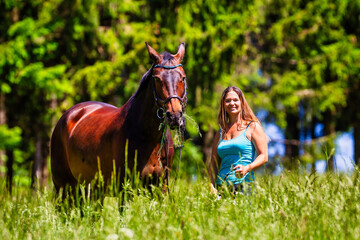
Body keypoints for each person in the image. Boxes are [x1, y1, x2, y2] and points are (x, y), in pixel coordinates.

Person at [208, 86, 268, 194]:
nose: (232, 103)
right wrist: (211, 186)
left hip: (244, 186)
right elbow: (213, 164)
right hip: (221, 187)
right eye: (227, 101)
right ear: (223, 105)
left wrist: (247, 168)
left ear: (241, 102)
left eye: (235, 100)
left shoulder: (252, 126)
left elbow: (263, 156)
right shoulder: (220, 132)